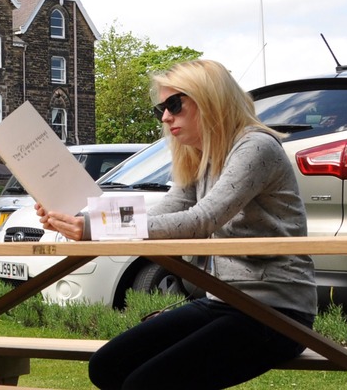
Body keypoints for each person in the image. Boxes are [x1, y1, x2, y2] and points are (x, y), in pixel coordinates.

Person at [36, 59, 316, 390]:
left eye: (175, 104)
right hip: (224, 301)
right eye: (162, 109)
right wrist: (85, 222)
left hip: (277, 312)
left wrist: (94, 228)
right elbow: (169, 209)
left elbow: (202, 219)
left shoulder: (255, 146)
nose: (166, 117)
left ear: (211, 99)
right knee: (107, 366)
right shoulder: (201, 155)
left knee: (146, 383)